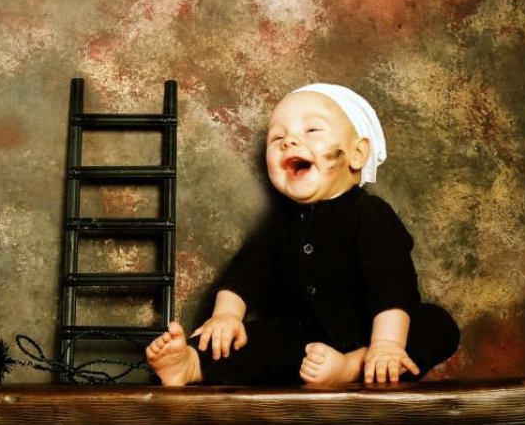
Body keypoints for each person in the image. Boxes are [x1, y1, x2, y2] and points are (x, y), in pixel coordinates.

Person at [146, 83, 460, 387]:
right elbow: (246, 273)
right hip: (300, 346)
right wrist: (226, 316)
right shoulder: (279, 224)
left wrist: (387, 344)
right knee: (247, 337)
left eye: (312, 130)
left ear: (357, 153)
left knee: (436, 325)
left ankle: (352, 366)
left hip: (373, 338)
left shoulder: (370, 215)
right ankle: (191, 364)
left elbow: (391, 284)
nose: (289, 141)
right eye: (277, 137)